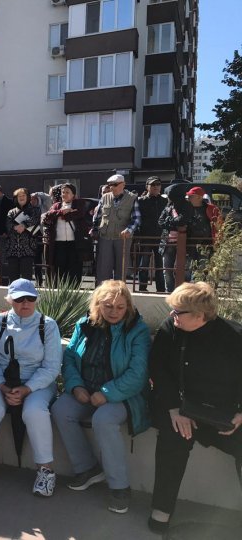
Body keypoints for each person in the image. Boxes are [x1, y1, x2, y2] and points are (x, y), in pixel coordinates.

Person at [147, 282, 242, 534]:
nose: (171, 315)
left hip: (224, 415)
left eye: (178, 312)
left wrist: (240, 414)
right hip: (182, 409)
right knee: (171, 440)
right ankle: (162, 508)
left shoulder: (234, 337)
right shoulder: (171, 330)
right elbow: (159, 370)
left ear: (200, 315)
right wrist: (174, 409)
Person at [52, 280, 150, 515]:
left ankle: (120, 487)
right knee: (60, 410)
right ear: (98, 305)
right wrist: (75, 386)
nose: (114, 312)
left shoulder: (137, 330)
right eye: (108, 306)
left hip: (123, 396)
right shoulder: (85, 325)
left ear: (128, 307)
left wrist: (106, 394)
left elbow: (137, 374)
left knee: (103, 420)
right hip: (85, 390)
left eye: (120, 307)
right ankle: (88, 468)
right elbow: (71, 359)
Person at [0, 279, 61, 495]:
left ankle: (46, 471)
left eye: (30, 298)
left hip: (37, 382)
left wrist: (27, 389)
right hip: (2, 380)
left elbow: (51, 367)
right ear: (10, 300)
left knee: (35, 411)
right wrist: (2, 386)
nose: (25, 303)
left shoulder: (48, 325)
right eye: (19, 299)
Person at [91, 174, 141, 285]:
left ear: (123, 184)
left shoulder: (132, 198)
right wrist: (94, 229)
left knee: (121, 269)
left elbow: (136, 218)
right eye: (110, 185)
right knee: (103, 269)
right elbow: (97, 216)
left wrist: (129, 229)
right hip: (105, 237)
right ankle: (103, 296)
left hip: (122, 238)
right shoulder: (104, 197)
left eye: (115, 185)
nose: (112, 187)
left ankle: (119, 295)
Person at [43, 183, 88, 284]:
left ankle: (74, 293)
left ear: (73, 194)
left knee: (74, 269)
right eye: (63, 192)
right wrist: (62, 212)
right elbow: (47, 217)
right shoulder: (56, 205)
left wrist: (65, 215)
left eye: (67, 192)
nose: (64, 194)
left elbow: (79, 214)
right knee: (60, 269)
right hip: (59, 243)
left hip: (75, 243)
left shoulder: (79, 204)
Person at [136, 177, 166, 292]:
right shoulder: (140, 201)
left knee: (160, 266)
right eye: (153, 185)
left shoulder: (164, 201)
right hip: (145, 237)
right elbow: (136, 219)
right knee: (144, 265)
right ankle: (142, 288)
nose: (156, 187)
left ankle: (161, 289)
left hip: (160, 237)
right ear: (147, 186)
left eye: (158, 184)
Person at [5, 188, 41, 282]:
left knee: (26, 278)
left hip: (28, 249)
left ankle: (26, 296)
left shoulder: (35, 210)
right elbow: (8, 225)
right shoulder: (11, 212)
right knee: (13, 279)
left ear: (28, 197)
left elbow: (36, 222)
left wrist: (24, 225)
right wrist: (15, 227)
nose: (21, 197)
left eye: (23, 195)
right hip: (12, 249)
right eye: (19, 196)